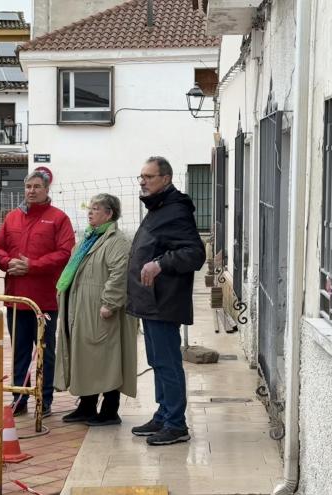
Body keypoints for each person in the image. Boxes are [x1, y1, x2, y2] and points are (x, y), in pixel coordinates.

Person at [127, 156, 206, 446]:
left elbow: (195, 254)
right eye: (141, 177)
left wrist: (160, 263)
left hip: (164, 301)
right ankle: (163, 414)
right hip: (151, 301)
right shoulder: (159, 207)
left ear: (166, 179)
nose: (143, 182)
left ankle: (176, 424)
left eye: (149, 176)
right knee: (157, 361)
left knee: (168, 363)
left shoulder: (175, 210)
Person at [0, 170, 74, 418]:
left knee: (45, 351)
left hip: (45, 301)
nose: (31, 191)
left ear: (47, 190)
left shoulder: (59, 219)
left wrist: (33, 265)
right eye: (28, 186)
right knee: (19, 350)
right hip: (16, 298)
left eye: (37, 186)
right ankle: (19, 398)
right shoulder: (12, 218)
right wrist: (8, 263)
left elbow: (64, 252)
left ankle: (44, 397)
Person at [55, 194, 137, 426]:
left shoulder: (117, 241)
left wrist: (109, 304)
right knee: (86, 359)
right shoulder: (89, 238)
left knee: (108, 359)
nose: (90, 213)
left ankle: (110, 409)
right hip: (82, 309)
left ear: (109, 214)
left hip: (101, 310)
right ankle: (87, 406)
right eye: (89, 209)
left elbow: (119, 273)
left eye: (95, 209)